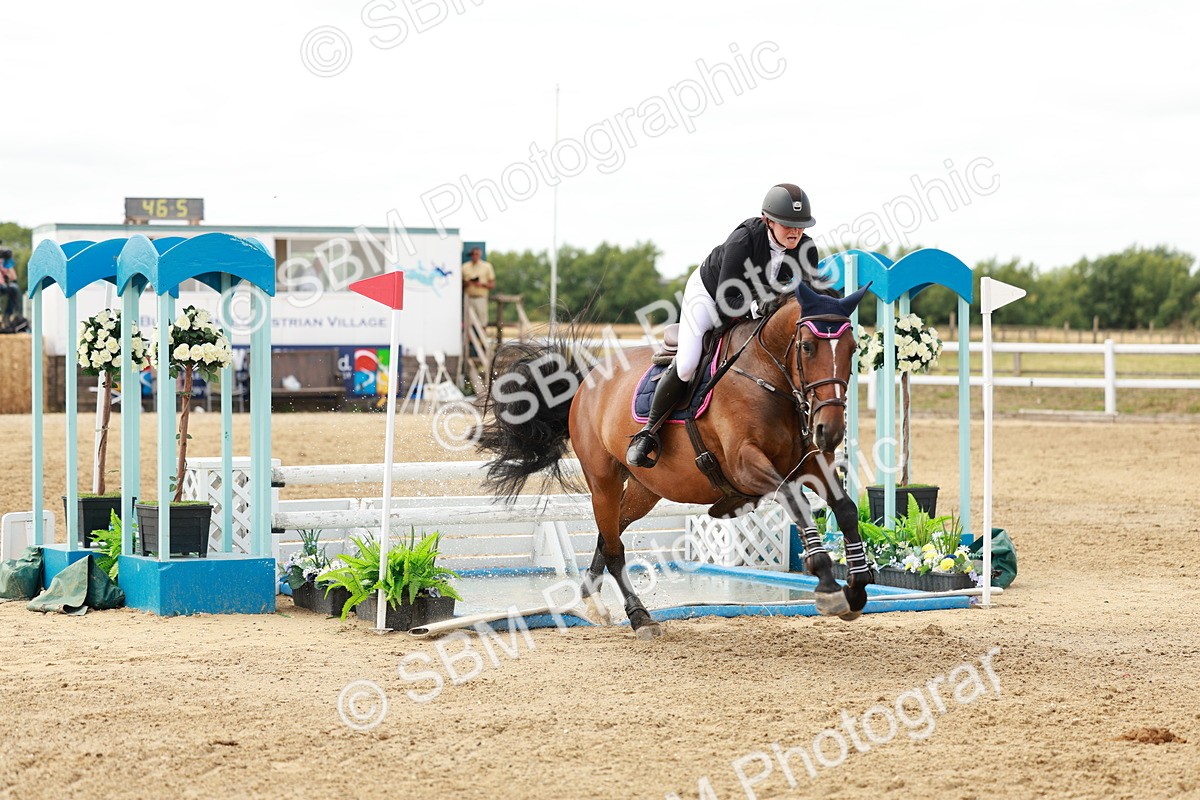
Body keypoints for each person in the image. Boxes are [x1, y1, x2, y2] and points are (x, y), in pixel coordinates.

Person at [626, 183, 820, 468]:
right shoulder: (743, 240)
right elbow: (726, 297)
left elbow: (810, 297)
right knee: (688, 363)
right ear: (767, 220)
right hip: (710, 295)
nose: (795, 231)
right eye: (788, 224)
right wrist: (757, 306)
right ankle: (648, 432)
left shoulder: (806, 249)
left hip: (757, 305)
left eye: (801, 226)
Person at [461, 247, 495, 329]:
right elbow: (459, 285)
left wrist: (481, 284)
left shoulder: (487, 266)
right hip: (468, 298)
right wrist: (468, 283)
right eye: (473, 254)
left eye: (477, 254)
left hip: (481, 298)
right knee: (468, 322)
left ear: (480, 255)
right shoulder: (464, 267)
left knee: (483, 322)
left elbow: (492, 284)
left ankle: (482, 341)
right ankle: (468, 341)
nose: (475, 256)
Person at [0, 248, 22, 331]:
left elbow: (13, 277)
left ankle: (8, 315)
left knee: (14, 288)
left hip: (2, 285)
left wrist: (8, 261)